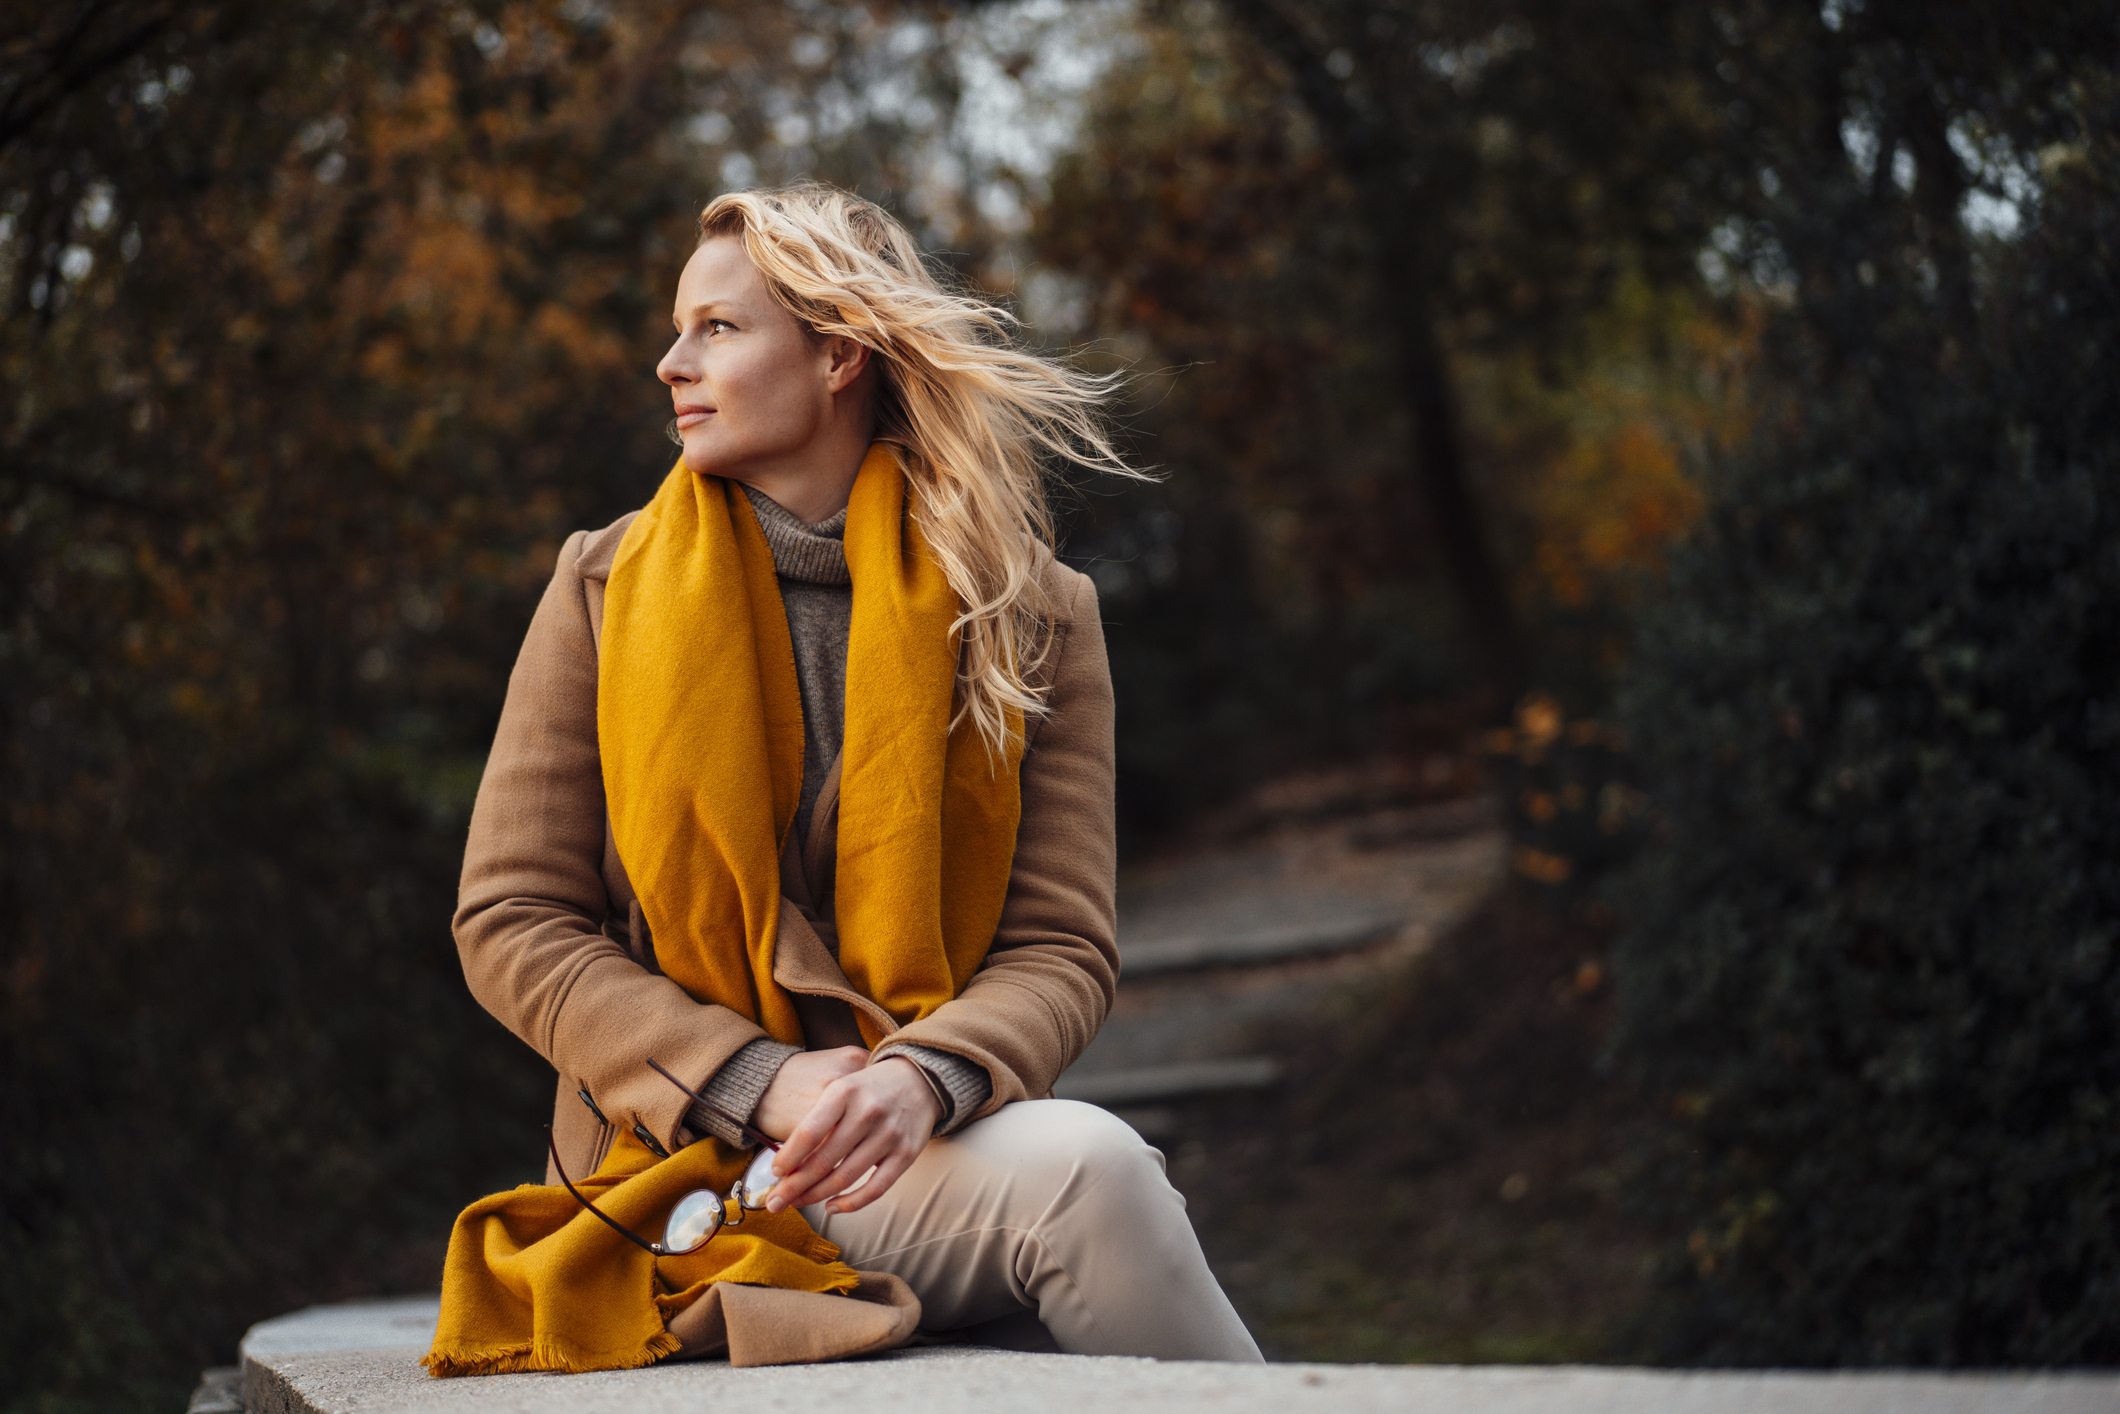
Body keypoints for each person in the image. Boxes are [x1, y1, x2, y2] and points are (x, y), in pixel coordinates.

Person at [444, 183, 1261, 1367]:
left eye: (717, 328)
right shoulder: (601, 587)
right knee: (1090, 1178)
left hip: (919, 1140)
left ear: (836, 355)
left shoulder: (1027, 611)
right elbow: (510, 919)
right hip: (683, 1172)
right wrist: (754, 1079)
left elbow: (1061, 948)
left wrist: (925, 1076)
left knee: (1085, 1201)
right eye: (677, 330)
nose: (671, 363)